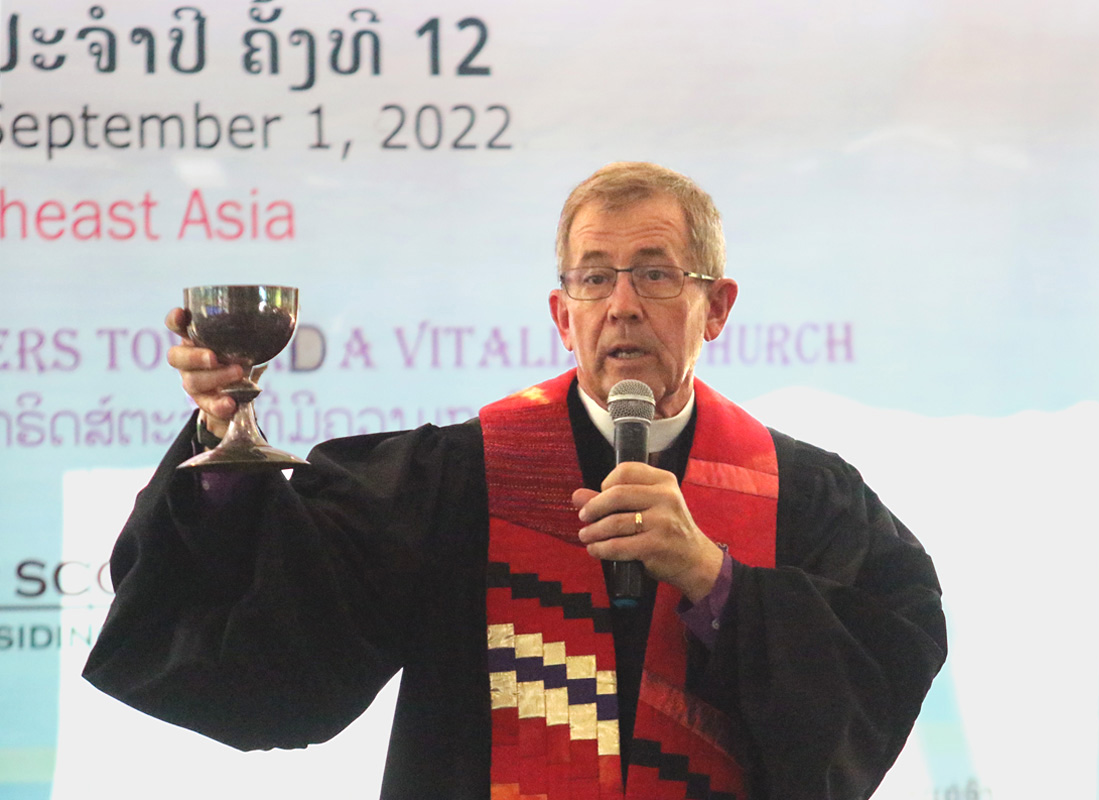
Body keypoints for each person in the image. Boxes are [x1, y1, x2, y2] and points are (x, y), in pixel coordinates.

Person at [83, 162, 946, 800]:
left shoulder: (802, 495)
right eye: (594, 277)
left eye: (654, 273)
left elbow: (884, 653)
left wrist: (715, 580)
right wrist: (228, 434)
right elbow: (287, 610)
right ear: (560, 311)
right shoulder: (461, 477)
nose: (622, 304)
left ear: (714, 306)